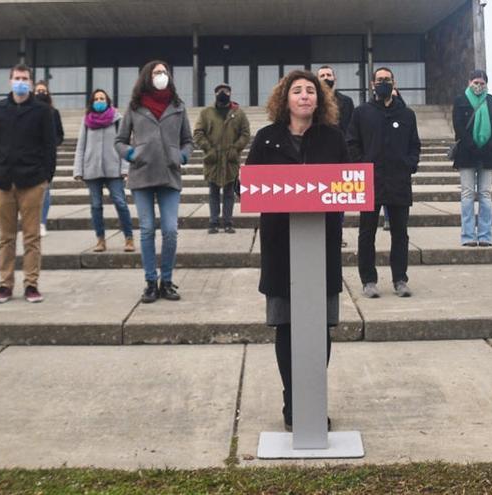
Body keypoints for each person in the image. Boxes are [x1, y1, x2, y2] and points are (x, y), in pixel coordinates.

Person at [245, 69, 347, 432]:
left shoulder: (334, 139)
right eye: (297, 91)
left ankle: (314, 399)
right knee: (287, 326)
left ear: (319, 100)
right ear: (284, 98)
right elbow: (251, 186)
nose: (305, 96)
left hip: (321, 246)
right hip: (280, 246)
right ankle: (292, 400)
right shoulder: (266, 138)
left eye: (311, 91)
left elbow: (347, 184)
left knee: (321, 326)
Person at [116, 60, 193, 303]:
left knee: (170, 230)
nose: (161, 75)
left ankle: (167, 281)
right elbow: (120, 140)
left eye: (164, 72)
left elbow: (188, 140)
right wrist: (131, 154)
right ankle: (150, 282)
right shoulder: (135, 106)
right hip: (142, 175)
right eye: (157, 72)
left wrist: (181, 156)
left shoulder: (178, 106)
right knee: (147, 230)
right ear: (148, 77)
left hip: (170, 174)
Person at [0, 63, 57, 303]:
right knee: (6, 237)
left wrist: (47, 177)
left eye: (25, 78)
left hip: (32, 182)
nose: (21, 81)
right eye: (17, 77)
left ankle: (31, 284)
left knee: (31, 237)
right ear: (10, 81)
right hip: (2, 181)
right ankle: (5, 284)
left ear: (32, 83)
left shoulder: (42, 111)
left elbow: (49, 146)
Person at [348, 67, 421, 298]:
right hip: (370, 182)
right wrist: (362, 166)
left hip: (399, 182)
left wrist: (409, 164)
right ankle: (368, 280)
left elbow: (414, 145)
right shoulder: (361, 113)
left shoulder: (407, 115)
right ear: (372, 84)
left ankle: (400, 279)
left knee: (400, 233)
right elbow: (352, 143)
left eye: (387, 80)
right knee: (366, 233)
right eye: (379, 80)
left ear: (394, 82)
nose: (383, 83)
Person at [73, 89, 134, 253]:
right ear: (92, 102)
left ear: (108, 101)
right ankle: (100, 240)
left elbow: (124, 145)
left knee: (120, 203)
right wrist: (78, 169)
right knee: (95, 205)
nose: (99, 101)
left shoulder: (117, 120)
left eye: (102, 98)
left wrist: (125, 168)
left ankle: (129, 238)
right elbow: (81, 147)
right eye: (96, 99)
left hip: (113, 170)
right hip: (91, 170)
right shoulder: (87, 121)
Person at [451, 69, 492, 247]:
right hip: (467, 153)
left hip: (488, 153)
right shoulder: (460, 101)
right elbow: (458, 126)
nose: (479, 86)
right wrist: (472, 145)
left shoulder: (491, 101)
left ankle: (485, 236)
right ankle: (467, 236)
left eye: (482, 83)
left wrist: (488, 144)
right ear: (469, 82)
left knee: (485, 194)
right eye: (476, 82)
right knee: (467, 194)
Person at [193, 83, 250, 234]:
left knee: (229, 192)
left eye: (226, 90)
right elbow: (198, 133)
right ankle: (213, 222)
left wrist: (236, 149)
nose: (222, 93)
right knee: (213, 191)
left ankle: (228, 222)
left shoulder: (238, 113)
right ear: (215, 93)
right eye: (219, 91)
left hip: (230, 159)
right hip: (213, 159)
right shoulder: (206, 112)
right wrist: (208, 149)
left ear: (230, 93)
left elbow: (245, 134)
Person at [317, 65, 355, 247]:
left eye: (328, 75)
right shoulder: (312, 101)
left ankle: (336, 236)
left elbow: (350, 129)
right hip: (317, 157)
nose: (326, 77)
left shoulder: (346, 102)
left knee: (338, 201)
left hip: (339, 156)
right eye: (322, 75)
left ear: (335, 78)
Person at [34, 80, 64, 237]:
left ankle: (42, 222)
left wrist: (52, 144)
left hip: (47, 157)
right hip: (31, 156)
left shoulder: (54, 112)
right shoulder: (29, 111)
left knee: (46, 191)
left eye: (43, 91)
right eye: (38, 90)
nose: (40, 93)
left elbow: (60, 134)